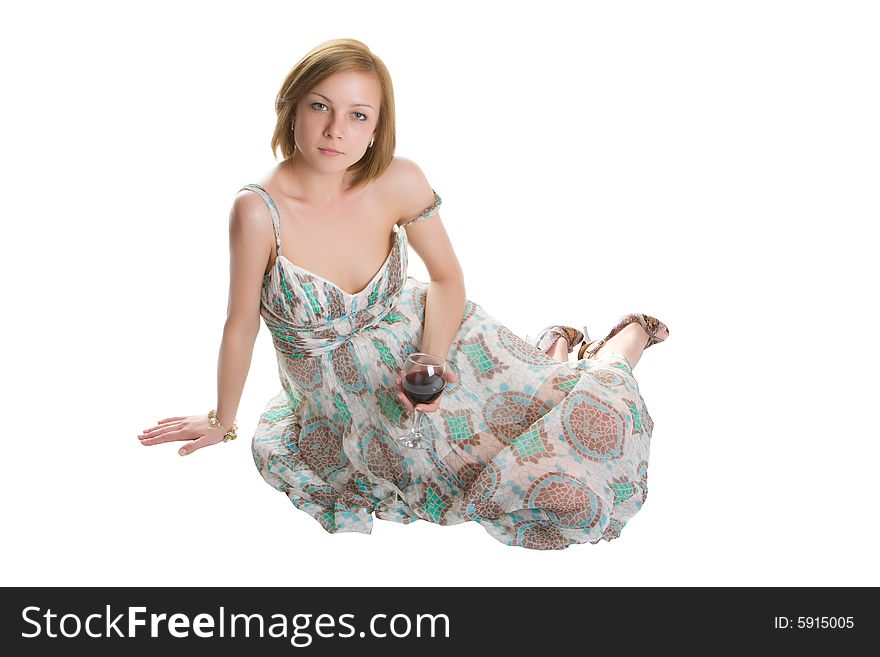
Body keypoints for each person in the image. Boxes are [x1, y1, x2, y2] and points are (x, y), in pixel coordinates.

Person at [137, 38, 670, 550]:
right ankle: (558, 350)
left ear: (377, 127)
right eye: (320, 106)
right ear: (291, 108)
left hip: (431, 339)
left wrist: (433, 364)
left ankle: (621, 344)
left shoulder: (400, 181)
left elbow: (446, 279)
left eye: (358, 115)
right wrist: (221, 419)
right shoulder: (258, 211)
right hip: (343, 394)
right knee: (486, 480)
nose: (335, 130)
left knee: (576, 433)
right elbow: (241, 324)